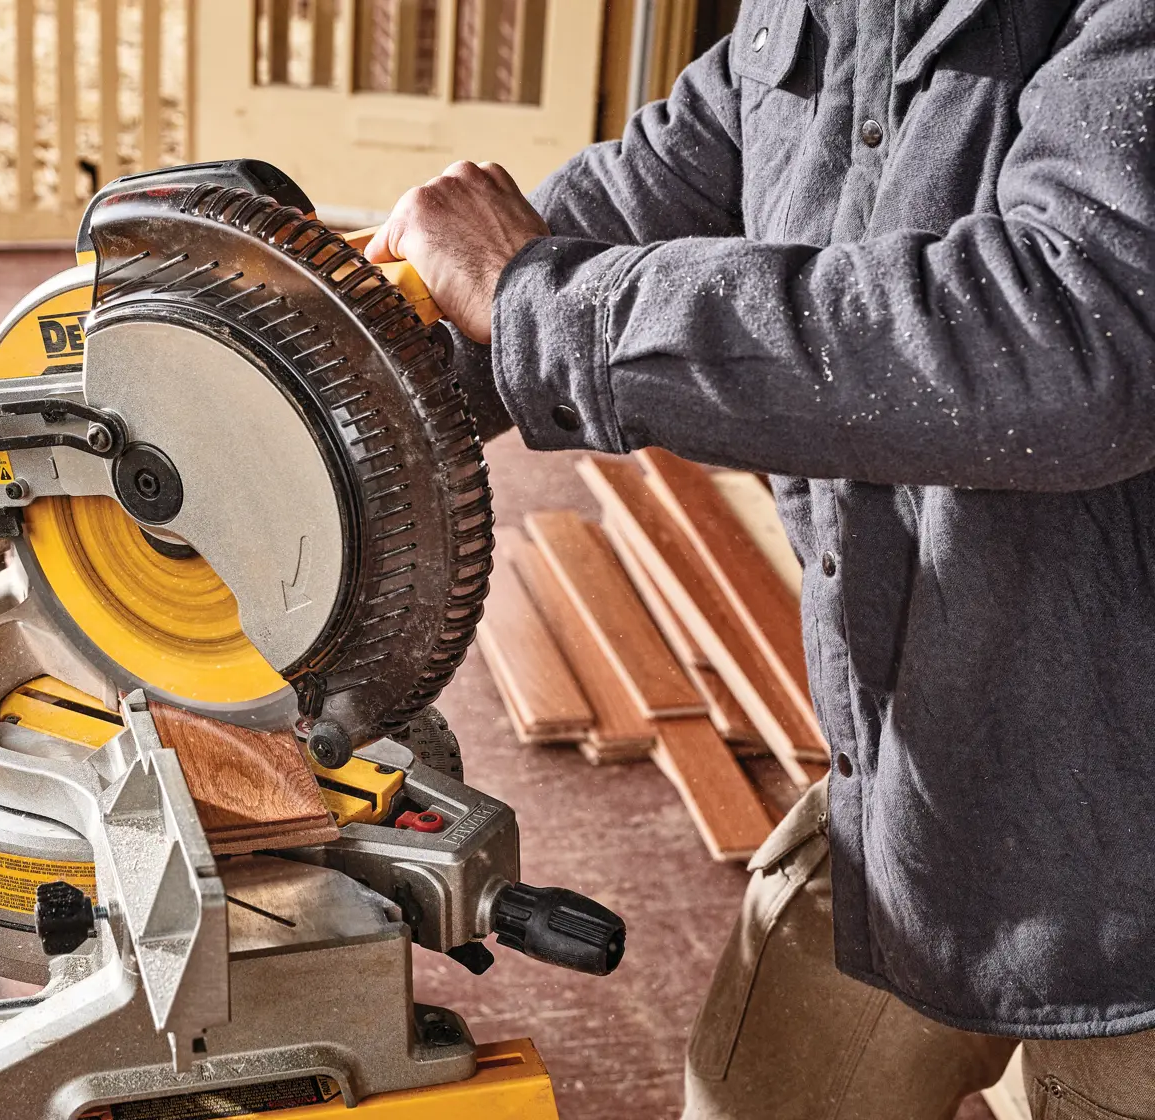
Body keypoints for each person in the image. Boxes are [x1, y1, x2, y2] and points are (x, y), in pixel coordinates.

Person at [364, 0, 1155, 1116]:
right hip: (914, 795)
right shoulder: (813, 19)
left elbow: (1067, 333)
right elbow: (612, 214)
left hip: (1131, 868)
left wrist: (542, 299)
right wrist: (325, 370)